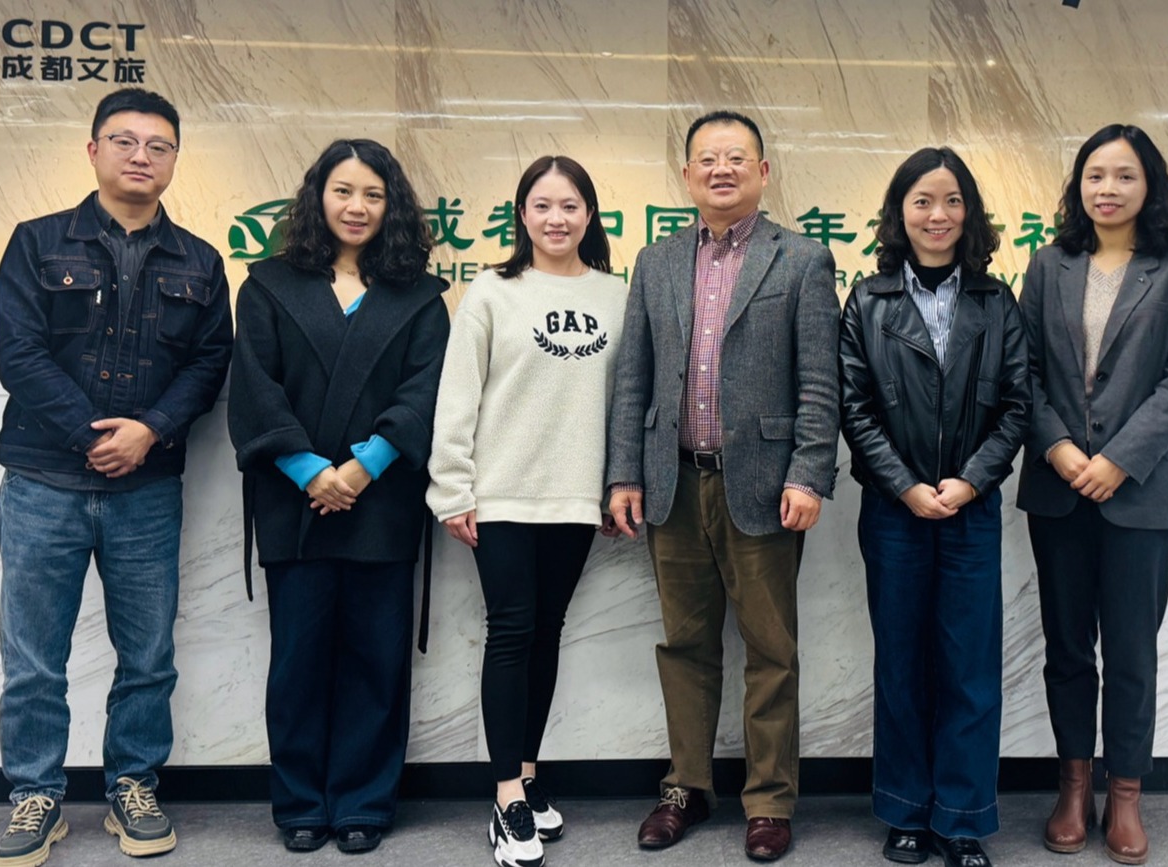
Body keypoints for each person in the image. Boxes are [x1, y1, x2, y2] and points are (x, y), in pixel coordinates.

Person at [0, 87, 233, 866]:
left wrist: (149, 430)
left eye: (158, 145)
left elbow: (210, 362)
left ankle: (133, 784)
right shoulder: (35, 243)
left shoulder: (200, 261)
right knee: (34, 657)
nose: (140, 156)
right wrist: (93, 436)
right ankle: (35, 795)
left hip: (146, 491)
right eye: (124, 141)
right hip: (42, 482)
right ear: (93, 150)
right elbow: (18, 353)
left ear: (174, 160)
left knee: (148, 654)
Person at [606, 110, 840, 863]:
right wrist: (623, 473)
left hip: (766, 487)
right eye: (707, 159)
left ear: (763, 172)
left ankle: (769, 801)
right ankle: (685, 787)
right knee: (684, 644)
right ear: (686, 176)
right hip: (673, 483)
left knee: (772, 650)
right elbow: (633, 377)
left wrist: (808, 473)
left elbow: (820, 381)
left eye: (737, 158)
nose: (721, 169)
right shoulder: (656, 261)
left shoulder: (801, 259)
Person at [226, 138, 448, 855]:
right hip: (294, 501)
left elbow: (426, 391)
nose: (357, 206)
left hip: (381, 500)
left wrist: (363, 466)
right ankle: (299, 802)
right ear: (317, 197)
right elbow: (254, 387)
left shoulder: (420, 296)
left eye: (373, 194)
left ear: (393, 206)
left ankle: (363, 801)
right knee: (297, 659)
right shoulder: (267, 285)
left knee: (376, 661)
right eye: (343, 191)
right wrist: (307, 469)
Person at [1018, 124, 1168, 866]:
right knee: (1068, 649)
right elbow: (1023, 370)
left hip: (1143, 493)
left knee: (1131, 650)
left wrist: (1119, 461)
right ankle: (1073, 789)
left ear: (1149, 184)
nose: (1107, 188)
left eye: (1124, 175)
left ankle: (1125, 793)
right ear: (1078, 186)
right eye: (1094, 175)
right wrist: (1060, 447)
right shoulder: (1049, 265)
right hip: (1060, 486)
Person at [426, 155, 626, 867]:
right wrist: (453, 488)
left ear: (590, 215)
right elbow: (458, 394)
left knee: (548, 632)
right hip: (503, 493)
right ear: (521, 215)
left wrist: (616, 484)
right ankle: (506, 794)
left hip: (575, 495)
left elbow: (625, 400)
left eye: (569, 205)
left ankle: (529, 774)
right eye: (541, 205)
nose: (555, 218)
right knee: (511, 632)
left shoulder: (616, 295)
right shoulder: (491, 290)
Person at [838, 147, 1030, 867]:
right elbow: (853, 407)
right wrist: (905, 485)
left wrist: (971, 481)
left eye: (951, 201)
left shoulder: (996, 302)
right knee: (902, 665)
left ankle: (962, 817)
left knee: (968, 669)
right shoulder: (867, 301)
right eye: (922, 200)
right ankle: (906, 812)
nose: (937, 215)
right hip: (895, 512)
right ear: (900, 212)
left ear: (968, 212)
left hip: (971, 511)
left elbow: (1017, 405)